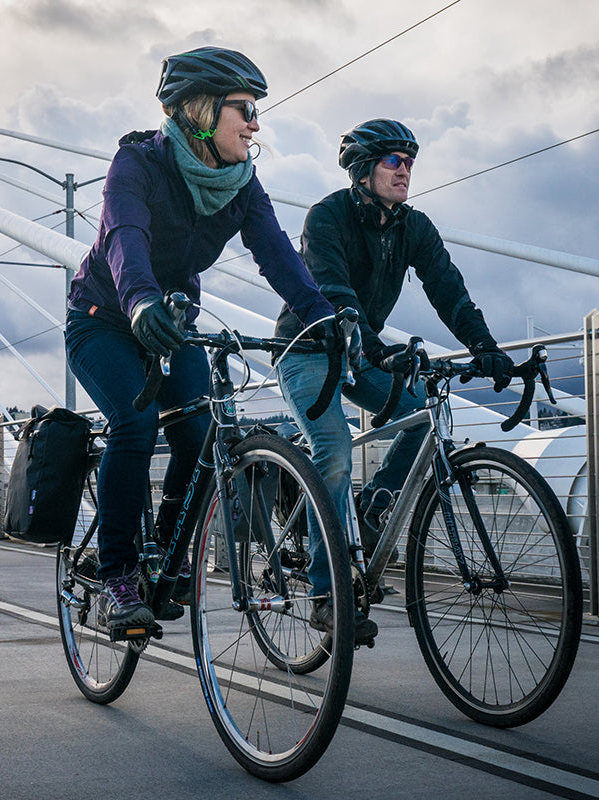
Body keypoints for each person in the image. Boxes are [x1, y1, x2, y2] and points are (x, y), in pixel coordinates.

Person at [65, 47, 336, 635]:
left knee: (203, 433)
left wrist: (322, 316)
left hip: (173, 325)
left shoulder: (241, 184)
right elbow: (125, 238)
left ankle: (164, 556)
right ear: (201, 112)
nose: (256, 123)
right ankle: (116, 576)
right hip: (104, 318)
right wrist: (139, 302)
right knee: (134, 427)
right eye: (245, 109)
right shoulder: (136, 164)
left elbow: (280, 258)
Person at [274, 118, 513, 643]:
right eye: (392, 161)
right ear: (363, 170)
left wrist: (486, 347)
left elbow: (449, 290)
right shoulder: (327, 216)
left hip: (364, 355)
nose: (405, 171)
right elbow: (333, 287)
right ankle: (325, 593)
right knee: (333, 452)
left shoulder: (414, 227)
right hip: (310, 349)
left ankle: (373, 507)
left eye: (409, 162)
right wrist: (368, 339)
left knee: (422, 417)